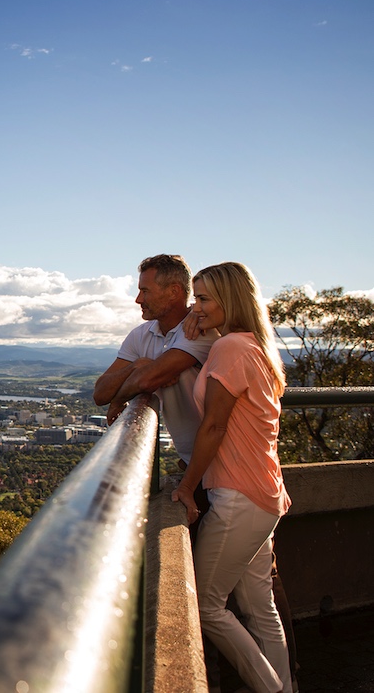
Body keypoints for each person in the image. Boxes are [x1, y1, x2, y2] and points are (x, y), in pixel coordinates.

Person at [172, 262, 292, 693]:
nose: (195, 306)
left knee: (203, 606)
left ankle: (273, 690)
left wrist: (187, 487)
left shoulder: (230, 351)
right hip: (263, 493)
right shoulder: (252, 345)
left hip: (238, 496)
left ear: (230, 300)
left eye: (203, 298)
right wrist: (196, 324)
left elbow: (214, 427)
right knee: (261, 610)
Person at [94, 254, 217, 466]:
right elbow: (100, 392)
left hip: (221, 460)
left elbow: (147, 380)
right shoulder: (141, 335)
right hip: (192, 461)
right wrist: (136, 366)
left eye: (145, 291)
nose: (138, 299)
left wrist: (119, 399)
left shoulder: (200, 330)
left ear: (174, 292)